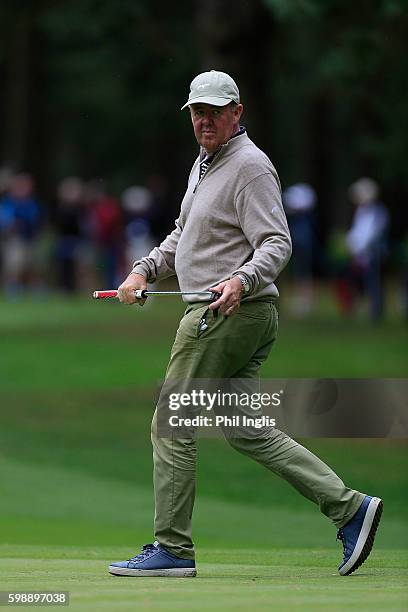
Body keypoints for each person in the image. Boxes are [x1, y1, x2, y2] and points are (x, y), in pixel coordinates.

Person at [109, 70, 382, 578]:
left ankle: (172, 549)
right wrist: (142, 270)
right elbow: (182, 235)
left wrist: (240, 279)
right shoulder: (204, 164)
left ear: (238, 112)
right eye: (197, 111)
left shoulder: (250, 167)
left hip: (226, 313)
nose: (205, 120)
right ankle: (350, 508)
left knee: (173, 422)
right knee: (246, 430)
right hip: (236, 315)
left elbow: (276, 242)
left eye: (215, 110)